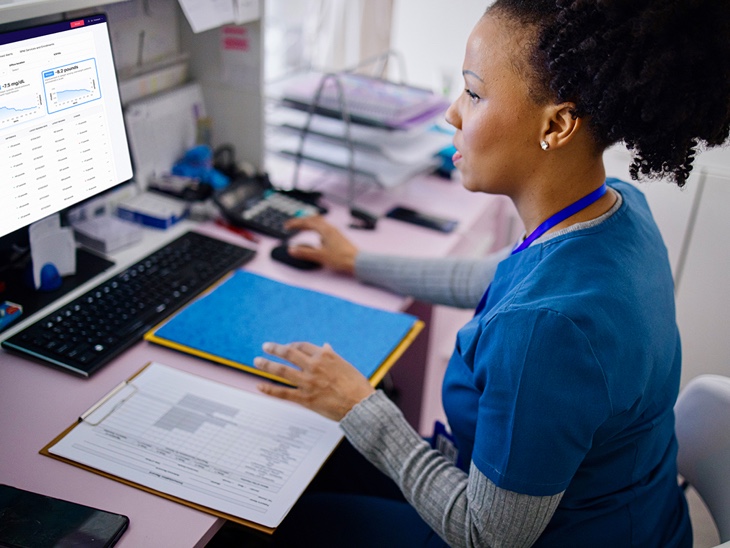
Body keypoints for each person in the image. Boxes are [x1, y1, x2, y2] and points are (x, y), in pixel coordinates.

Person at [250, 0, 730, 546]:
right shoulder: (618, 210)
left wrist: (359, 404)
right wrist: (356, 261)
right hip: (641, 520)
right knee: (312, 461)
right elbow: (500, 276)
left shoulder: (545, 332)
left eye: (474, 94)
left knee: (284, 519)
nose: (453, 113)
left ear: (558, 124)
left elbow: (486, 535)